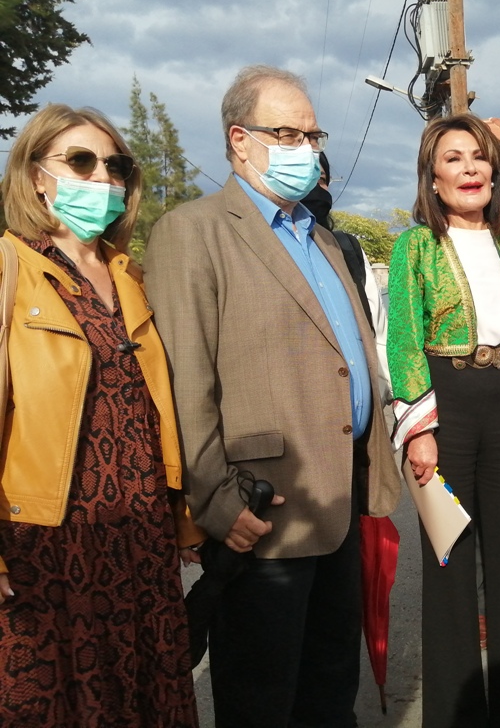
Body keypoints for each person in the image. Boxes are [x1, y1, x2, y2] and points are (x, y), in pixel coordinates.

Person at [143, 65, 400, 728]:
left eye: (312, 135)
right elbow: (186, 383)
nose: (305, 149)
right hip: (263, 514)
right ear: (240, 139)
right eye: (287, 134)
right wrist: (217, 500)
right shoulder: (193, 231)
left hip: (339, 501)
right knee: (262, 698)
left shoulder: (322, 239)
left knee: (329, 688)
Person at [0, 104, 204, 726]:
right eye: (81, 161)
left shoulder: (131, 276)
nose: (103, 177)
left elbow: (155, 406)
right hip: (50, 540)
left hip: (141, 530)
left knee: (146, 697)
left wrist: (181, 519)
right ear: (36, 176)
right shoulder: (9, 267)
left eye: (116, 165)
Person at [388, 112, 500, 728]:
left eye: (479, 157)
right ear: (432, 178)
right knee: (450, 567)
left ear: (494, 172)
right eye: (453, 158)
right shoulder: (414, 246)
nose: (469, 169)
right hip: (448, 412)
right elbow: (403, 339)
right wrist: (420, 430)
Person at [302, 150, 391, 404]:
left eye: (321, 179)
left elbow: (378, 330)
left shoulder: (347, 249)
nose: (316, 188)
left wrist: (381, 395)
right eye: (307, 178)